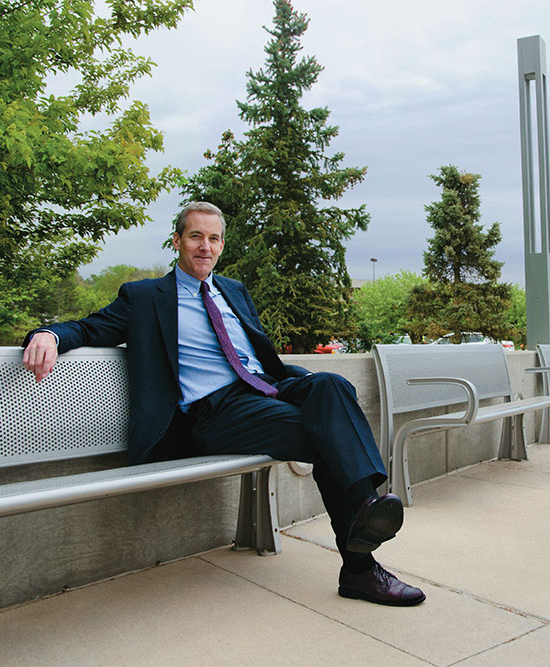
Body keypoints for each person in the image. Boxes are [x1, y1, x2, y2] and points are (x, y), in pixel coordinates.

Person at [22, 201, 424, 607]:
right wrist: (49, 335)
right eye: (196, 236)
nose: (205, 246)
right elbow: (90, 327)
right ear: (177, 240)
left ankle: (365, 510)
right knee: (328, 437)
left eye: (213, 238)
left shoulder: (233, 290)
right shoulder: (145, 297)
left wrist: (287, 382)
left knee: (332, 385)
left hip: (265, 389)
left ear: (222, 245)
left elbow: (260, 356)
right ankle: (361, 556)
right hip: (213, 411)